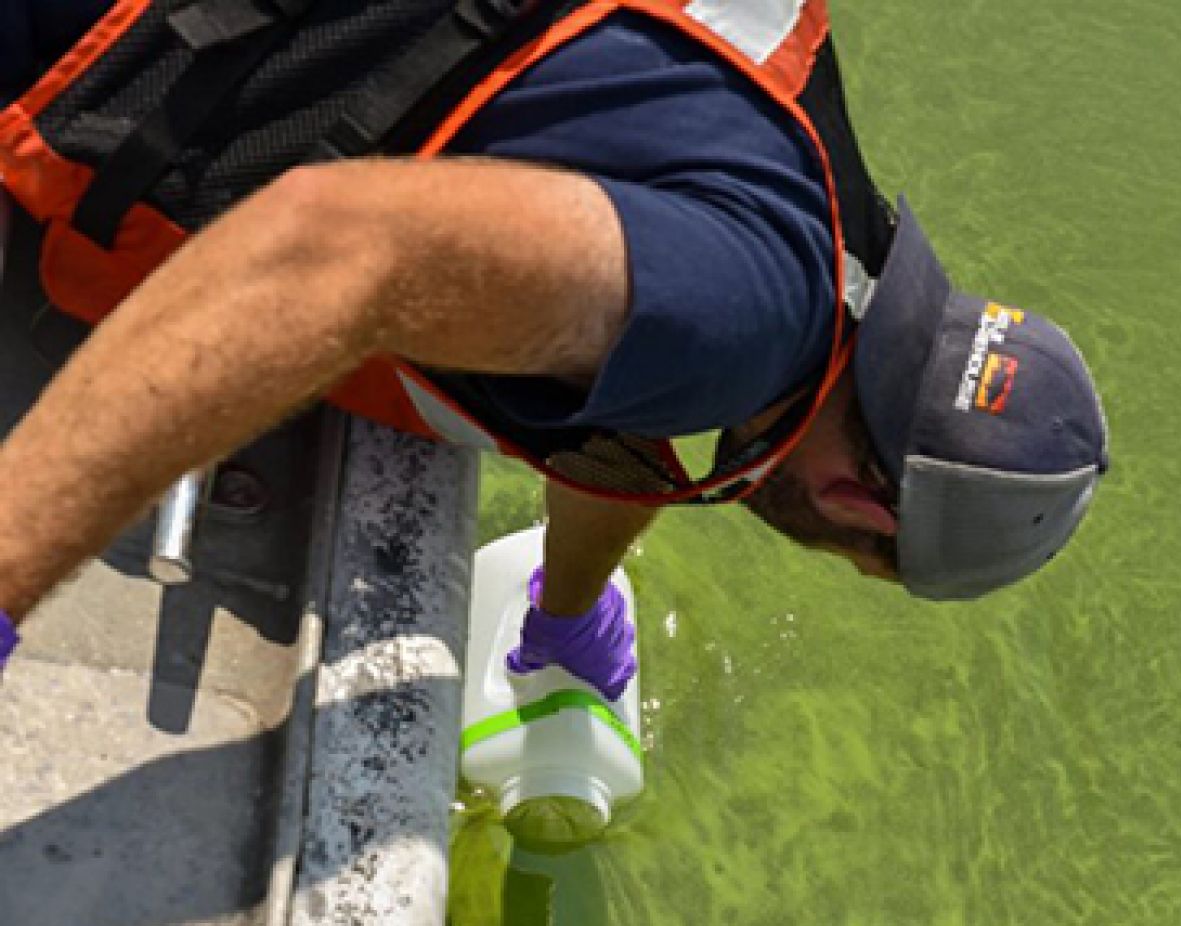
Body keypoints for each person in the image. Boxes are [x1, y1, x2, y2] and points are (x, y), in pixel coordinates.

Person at [0, 0, 1108, 696]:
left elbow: (626, 390)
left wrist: (565, 611)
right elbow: (325, 248)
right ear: (867, 518)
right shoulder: (755, 326)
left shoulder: (807, 153)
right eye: (866, 564)